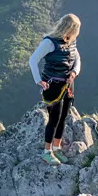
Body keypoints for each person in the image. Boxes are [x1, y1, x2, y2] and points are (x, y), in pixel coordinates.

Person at [29, 14, 82, 165]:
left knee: (63, 116)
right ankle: (47, 151)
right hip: (53, 85)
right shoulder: (49, 42)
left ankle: (57, 147)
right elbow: (33, 60)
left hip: (67, 84)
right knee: (54, 118)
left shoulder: (71, 42)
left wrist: (74, 72)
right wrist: (38, 80)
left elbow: (77, 58)